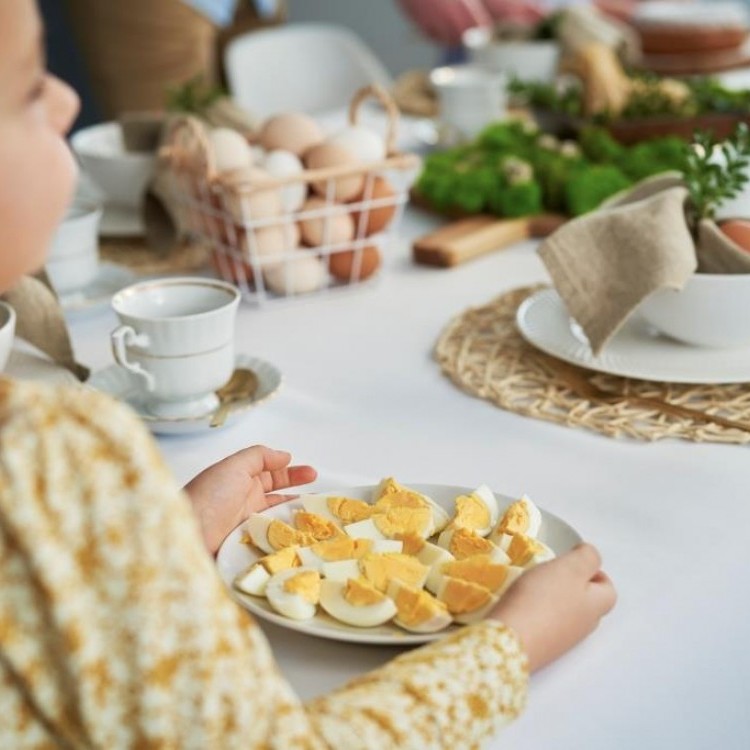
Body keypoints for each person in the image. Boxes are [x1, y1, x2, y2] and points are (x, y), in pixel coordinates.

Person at [0, 2, 616, 747]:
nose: (69, 98)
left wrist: (154, 543)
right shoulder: (47, 450)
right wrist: (510, 646)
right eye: (33, 86)